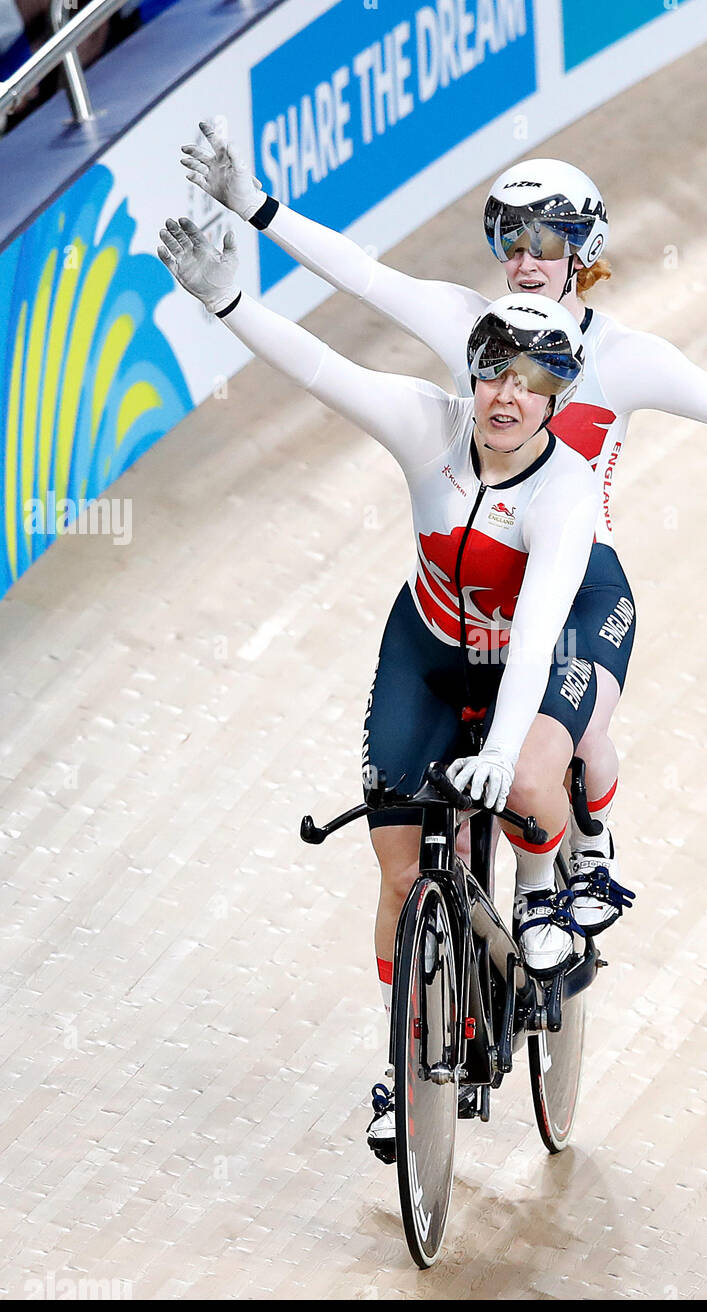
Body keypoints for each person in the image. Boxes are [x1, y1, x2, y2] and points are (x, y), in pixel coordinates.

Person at [180, 128, 707, 935]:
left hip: (568, 563)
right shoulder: (472, 324)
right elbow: (362, 277)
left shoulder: (624, 357)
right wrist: (248, 203)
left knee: (575, 730)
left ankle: (586, 844)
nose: (524, 260)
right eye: (509, 241)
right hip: (471, 571)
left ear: (585, 249)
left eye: (545, 242)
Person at [157, 216, 604, 1161]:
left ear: (559, 401)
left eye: (530, 386)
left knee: (523, 781)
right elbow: (322, 368)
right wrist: (228, 298)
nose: (505, 399)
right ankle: (404, 1075)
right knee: (401, 870)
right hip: (430, 646)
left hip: (526, 651)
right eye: (491, 374)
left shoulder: (566, 495)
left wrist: (496, 749)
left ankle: (538, 897)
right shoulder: (423, 423)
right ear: (469, 375)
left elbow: (531, 638)